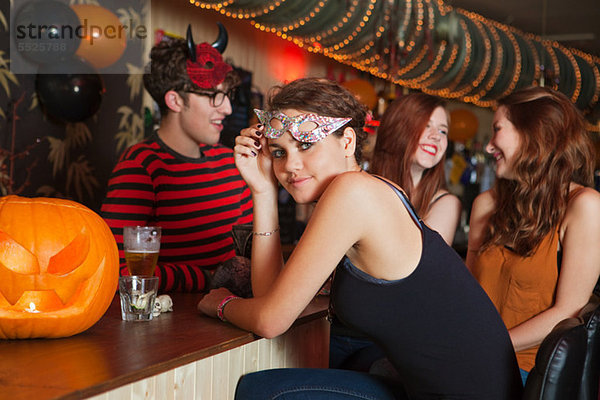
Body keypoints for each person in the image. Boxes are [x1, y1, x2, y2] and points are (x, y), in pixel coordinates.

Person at [198, 78, 523, 399]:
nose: (291, 166)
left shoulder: (353, 193)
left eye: (307, 144)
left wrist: (220, 304)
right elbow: (270, 299)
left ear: (347, 142)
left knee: (261, 392)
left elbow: (270, 320)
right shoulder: (367, 188)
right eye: (280, 152)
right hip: (440, 389)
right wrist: (263, 190)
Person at [101, 26, 253, 292]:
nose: (227, 108)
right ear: (175, 100)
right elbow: (115, 268)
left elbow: (254, 249)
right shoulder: (141, 165)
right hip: (173, 325)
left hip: (235, 317)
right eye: (214, 97)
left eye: (227, 96)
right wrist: (207, 279)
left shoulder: (232, 162)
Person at [466, 86, 600, 384]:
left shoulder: (583, 205)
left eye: (497, 129)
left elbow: (569, 311)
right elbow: (466, 294)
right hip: (468, 359)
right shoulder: (485, 204)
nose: (489, 147)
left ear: (533, 134)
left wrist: (481, 349)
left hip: (527, 372)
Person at [371, 93, 461, 245]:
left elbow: (423, 267)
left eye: (443, 131)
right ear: (398, 129)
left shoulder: (445, 204)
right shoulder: (364, 187)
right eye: (426, 125)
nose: (436, 136)